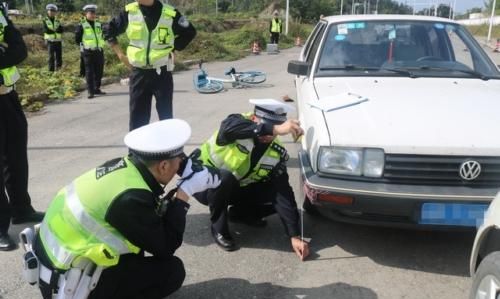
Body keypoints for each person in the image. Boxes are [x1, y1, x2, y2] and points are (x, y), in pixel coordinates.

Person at [33, 119, 221, 299]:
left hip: (55, 263)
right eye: (178, 161)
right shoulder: (131, 198)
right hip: (70, 286)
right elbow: (166, 246)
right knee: (172, 271)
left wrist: (184, 169)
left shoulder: (123, 167)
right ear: (163, 166)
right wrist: (184, 192)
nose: (180, 165)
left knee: (136, 251)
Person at [194, 99, 310, 261]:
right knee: (224, 177)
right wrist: (274, 128)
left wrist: (295, 234)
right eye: (268, 128)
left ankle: (241, 214)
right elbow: (228, 128)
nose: (269, 135)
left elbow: (283, 192)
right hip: (201, 185)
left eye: (274, 132)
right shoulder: (236, 123)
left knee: (278, 200)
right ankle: (219, 228)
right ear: (255, 119)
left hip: (234, 187)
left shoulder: (275, 153)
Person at [105, 0, 196, 131]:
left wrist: (173, 48)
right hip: (139, 73)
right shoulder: (130, 12)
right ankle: (136, 151)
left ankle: (167, 150)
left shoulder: (170, 13)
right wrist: (120, 54)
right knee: (137, 118)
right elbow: (109, 30)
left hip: (162, 72)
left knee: (166, 117)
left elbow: (189, 32)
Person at [0, 3, 45, 251]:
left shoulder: (0, 11)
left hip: (8, 95)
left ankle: (21, 209)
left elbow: (19, 49)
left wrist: (5, 52)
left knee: (16, 155)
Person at [75, 4, 106, 99]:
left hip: (99, 51)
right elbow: (77, 38)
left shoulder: (98, 23)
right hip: (88, 52)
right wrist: (83, 48)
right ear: (86, 13)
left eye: (94, 13)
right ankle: (90, 91)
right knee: (89, 72)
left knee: (99, 71)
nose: (93, 15)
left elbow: (101, 35)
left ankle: (97, 88)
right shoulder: (81, 24)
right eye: (90, 13)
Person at [43, 4, 63, 72]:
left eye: (53, 11)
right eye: (50, 10)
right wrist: (55, 30)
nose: (51, 12)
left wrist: (54, 30)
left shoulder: (57, 20)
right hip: (50, 41)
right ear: (47, 11)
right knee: (51, 57)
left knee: (59, 56)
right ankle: (51, 71)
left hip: (58, 41)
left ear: (55, 12)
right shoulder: (45, 20)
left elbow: (61, 30)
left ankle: (59, 69)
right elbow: (46, 30)